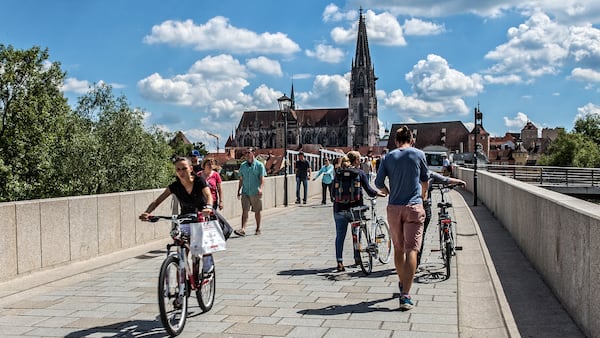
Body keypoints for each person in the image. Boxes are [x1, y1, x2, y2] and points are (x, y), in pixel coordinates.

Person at [375, 126, 429, 311]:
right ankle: (406, 295)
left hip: (394, 208)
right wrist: (424, 194)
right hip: (414, 206)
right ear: (411, 140)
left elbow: (378, 183)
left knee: (398, 249)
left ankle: (402, 282)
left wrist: (387, 191)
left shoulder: (388, 157)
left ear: (396, 141)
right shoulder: (419, 154)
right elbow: (425, 179)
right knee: (412, 250)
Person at [139, 157, 215, 273]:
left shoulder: (199, 181)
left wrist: (208, 207)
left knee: (202, 244)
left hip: (201, 216)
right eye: (178, 169)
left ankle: (207, 263)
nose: (181, 172)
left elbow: (209, 196)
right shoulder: (175, 186)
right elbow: (157, 201)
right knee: (181, 247)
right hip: (185, 218)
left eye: (184, 168)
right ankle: (183, 279)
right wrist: (147, 212)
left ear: (190, 168)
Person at [332, 151, 386, 272]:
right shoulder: (359, 173)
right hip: (355, 209)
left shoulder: (338, 173)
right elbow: (369, 190)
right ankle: (357, 258)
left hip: (339, 209)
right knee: (356, 233)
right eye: (359, 160)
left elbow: (332, 194)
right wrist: (380, 194)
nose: (360, 162)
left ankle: (340, 262)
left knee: (340, 236)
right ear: (355, 161)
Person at [418, 171, 466, 266]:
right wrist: (460, 181)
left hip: (408, 205)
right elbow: (446, 180)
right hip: (424, 205)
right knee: (421, 234)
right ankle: (416, 262)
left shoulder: (409, 173)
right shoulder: (428, 173)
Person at [235, 148, 266, 236]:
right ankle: (243, 229)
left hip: (255, 191)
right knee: (245, 210)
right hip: (245, 191)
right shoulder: (243, 166)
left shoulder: (259, 165)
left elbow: (262, 178)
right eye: (246, 153)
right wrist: (238, 190)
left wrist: (260, 188)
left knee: (257, 211)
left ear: (253, 153)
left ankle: (258, 228)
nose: (247, 154)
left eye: (249, 152)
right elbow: (241, 179)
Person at [200, 157, 233, 239]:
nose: (210, 166)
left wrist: (221, 201)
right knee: (202, 220)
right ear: (204, 165)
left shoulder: (215, 175)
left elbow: (219, 189)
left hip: (212, 201)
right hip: (201, 201)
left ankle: (214, 236)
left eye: (212, 164)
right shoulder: (199, 175)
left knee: (211, 219)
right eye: (208, 164)